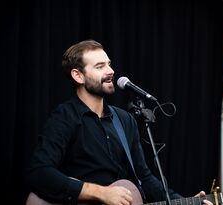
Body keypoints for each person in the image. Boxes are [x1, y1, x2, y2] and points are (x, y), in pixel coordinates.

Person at [26, 39, 212, 205]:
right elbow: (39, 172)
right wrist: (101, 193)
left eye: (109, 64)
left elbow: (144, 177)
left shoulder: (124, 120)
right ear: (78, 76)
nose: (111, 71)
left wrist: (182, 201)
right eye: (100, 66)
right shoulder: (65, 117)